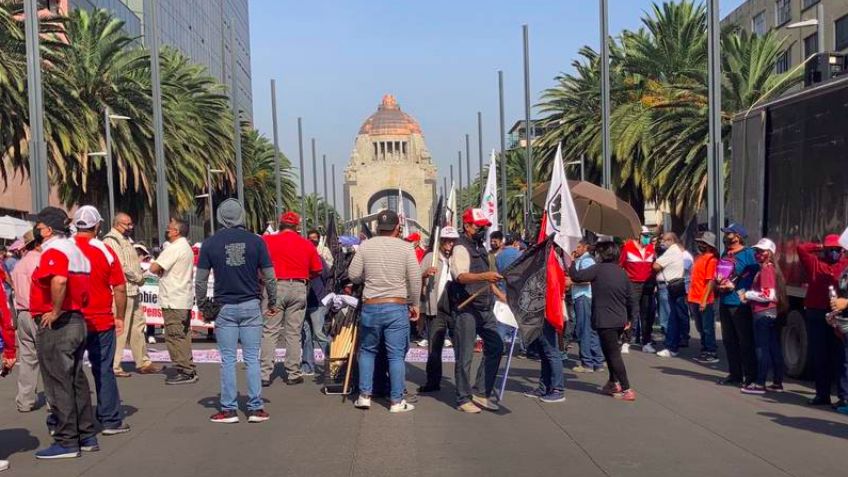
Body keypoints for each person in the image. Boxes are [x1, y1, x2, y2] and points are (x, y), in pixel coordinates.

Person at [195, 199, 278, 424]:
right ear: (242, 216)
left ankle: (229, 409)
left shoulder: (210, 244)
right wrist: (273, 301)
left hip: (224, 307)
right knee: (252, 358)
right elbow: (269, 276)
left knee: (228, 359)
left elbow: (200, 280)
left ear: (220, 217)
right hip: (251, 304)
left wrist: (202, 305)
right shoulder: (257, 242)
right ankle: (255, 407)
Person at [29, 207, 98, 459]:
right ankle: (85, 434)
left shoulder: (55, 250)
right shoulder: (76, 250)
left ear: (46, 229)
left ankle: (67, 440)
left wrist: (55, 311)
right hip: (77, 318)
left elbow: (59, 280)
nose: (37, 231)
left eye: (38, 227)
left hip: (60, 323)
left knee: (58, 381)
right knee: (76, 379)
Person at [349, 210, 420, 413]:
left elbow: (353, 275)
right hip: (396, 305)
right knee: (396, 355)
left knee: (368, 351)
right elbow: (415, 279)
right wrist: (415, 304)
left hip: (371, 304)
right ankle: (397, 401)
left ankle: (364, 396)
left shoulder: (365, 246)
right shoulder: (406, 248)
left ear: (377, 228)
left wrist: (368, 278)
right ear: (398, 227)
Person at [71, 206, 131, 435]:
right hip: (101, 320)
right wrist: (119, 316)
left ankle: (72, 421)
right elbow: (120, 288)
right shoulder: (105, 251)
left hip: (72, 320)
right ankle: (110, 420)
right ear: (97, 227)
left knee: (70, 371)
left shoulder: (64, 248)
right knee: (103, 369)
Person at [447, 208, 504, 413]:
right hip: (467, 307)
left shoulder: (481, 247)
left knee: (497, 346)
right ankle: (463, 398)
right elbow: (461, 277)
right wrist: (485, 277)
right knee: (465, 355)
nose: (482, 230)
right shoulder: (460, 248)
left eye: (484, 227)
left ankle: (480, 391)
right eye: (479, 227)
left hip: (485, 306)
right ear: (467, 226)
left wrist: (501, 296)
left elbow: (489, 278)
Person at [569, 240, 637, 401]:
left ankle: (626, 388)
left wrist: (572, 262)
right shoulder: (621, 272)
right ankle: (613, 382)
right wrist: (630, 319)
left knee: (613, 354)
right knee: (609, 351)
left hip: (605, 319)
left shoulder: (598, 269)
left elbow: (577, 277)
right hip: (620, 318)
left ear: (601, 254)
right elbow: (631, 298)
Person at [261, 211, 322, 386]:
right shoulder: (306, 244)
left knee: (270, 331)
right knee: (293, 332)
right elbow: (317, 269)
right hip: (298, 287)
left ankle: (265, 374)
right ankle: (293, 373)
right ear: (297, 227)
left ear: (280, 224)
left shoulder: (268, 241)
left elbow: (259, 263)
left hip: (275, 286)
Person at [104, 213, 160, 377]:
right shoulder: (111, 240)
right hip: (122, 290)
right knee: (121, 327)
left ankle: (143, 361)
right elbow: (120, 265)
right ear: (117, 224)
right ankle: (115, 365)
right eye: (126, 224)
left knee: (138, 326)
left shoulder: (126, 240)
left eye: (131, 224)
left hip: (133, 290)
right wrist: (138, 278)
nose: (130, 227)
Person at [797, 234, 848, 407]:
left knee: (840, 356)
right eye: (830, 250)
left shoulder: (845, 264)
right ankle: (822, 394)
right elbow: (801, 248)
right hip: (817, 314)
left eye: (837, 249)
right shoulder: (816, 264)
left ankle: (844, 396)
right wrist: (821, 246)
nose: (833, 252)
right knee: (820, 355)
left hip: (837, 313)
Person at [150, 218, 197, 385]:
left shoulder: (175, 248)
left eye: (169, 228)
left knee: (174, 336)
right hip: (181, 298)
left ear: (177, 231)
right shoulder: (186, 247)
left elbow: (154, 267)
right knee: (183, 335)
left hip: (173, 298)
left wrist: (158, 267)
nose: (167, 230)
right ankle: (188, 366)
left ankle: (184, 370)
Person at [739, 238, 786, 395]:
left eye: (762, 251)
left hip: (762, 312)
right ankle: (777, 382)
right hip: (770, 313)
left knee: (762, 348)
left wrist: (748, 294)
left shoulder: (766, 269)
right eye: (757, 251)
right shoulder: (771, 269)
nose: (758, 254)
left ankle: (760, 383)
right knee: (773, 348)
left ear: (770, 253)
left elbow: (768, 295)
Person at [716, 223, 759, 387]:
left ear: (738, 236)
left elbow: (753, 276)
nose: (726, 236)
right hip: (724, 301)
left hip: (739, 303)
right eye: (726, 233)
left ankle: (751, 377)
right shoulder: (725, 253)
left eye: (729, 233)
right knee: (729, 340)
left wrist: (737, 286)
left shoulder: (749, 254)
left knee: (745, 340)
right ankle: (735, 374)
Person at [418, 225, 459, 393]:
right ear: (440, 241)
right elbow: (416, 278)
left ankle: (461, 385)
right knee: (434, 348)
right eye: (447, 240)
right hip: (436, 308)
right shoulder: (430, 257)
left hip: (456, 308)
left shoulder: (459, 256)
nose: (450, 244)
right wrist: (425, 274)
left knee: (460, 348)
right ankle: (433, 381)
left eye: (453, 241)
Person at [10, 230, 41, 412]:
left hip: (22, 313)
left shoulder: (19, 265)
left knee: (28, 358)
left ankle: (25, 400)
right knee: (48, 359)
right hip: (38, 313)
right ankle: (54, 404)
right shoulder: (39, 261)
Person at [620, 226, 656, 353]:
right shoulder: (628, 247)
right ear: (638, 235)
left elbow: (654, 266)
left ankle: (646, 342)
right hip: (632, 284)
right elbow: (621, 265)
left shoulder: (651, 248)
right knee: (632, 313)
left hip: (648, 285)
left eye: (648, 236)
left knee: (647, 314)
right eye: (645, 236)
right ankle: (626, 341)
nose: (647, 238)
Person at [654, 233, 690, 358]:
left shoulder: (672, 251)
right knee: (675, 316)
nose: (662, 242)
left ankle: (671, 345)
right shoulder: (676, 251)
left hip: (670, 286)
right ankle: (674, 343)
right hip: (675, 286)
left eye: (664, 240)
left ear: (671, 240)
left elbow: (656, 265)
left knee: (671, 317)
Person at [572, 239, 604, 373]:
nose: (575, 250)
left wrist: (572, 282)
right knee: (590, 330)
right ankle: (597, 361)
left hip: (583, 297)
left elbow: (587, 279)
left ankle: (587, 363)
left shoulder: (586, 261)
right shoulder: (584, 260)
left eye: (578, 247)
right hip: (583, 297)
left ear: (585, 247)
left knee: (583, 329)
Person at [689, 232, 720, 364]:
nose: (699, 245)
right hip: (694, 297)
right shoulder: (699, 258)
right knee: (700, 327)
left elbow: (710, 282)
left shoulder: (711, 260)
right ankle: (705, 349)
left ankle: (711, 351)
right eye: (699, 242)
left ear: (708, 245)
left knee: (707, 327)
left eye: (702, 243)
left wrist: (703, 300)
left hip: (704, 299)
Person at [301, 255, 330, 377]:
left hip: (318, 300)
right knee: (306, 335)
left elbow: (327, 276)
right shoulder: (298, 259)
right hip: (303, 302)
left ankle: (333, 362)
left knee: (319, 333)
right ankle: (308, 366)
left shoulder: (317, 258)